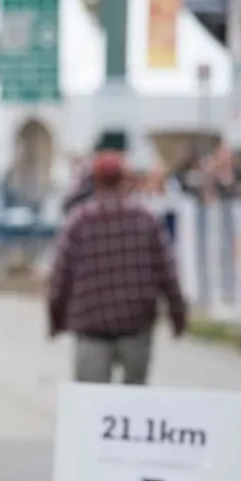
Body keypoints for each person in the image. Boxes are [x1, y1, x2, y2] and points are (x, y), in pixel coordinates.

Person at [46, 148, 188, 385]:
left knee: (91, 407)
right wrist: (178, 314)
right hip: (136, 325)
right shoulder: (146, 218)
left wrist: (56, 319)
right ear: (124, 179)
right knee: (132, 408)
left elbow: (61, 276)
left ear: (96, 181)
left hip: (91, 328)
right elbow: (166, 270)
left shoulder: (79, 221)